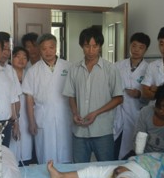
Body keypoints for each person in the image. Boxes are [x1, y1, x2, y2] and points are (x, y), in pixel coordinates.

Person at [63, 26, 124, 163]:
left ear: (100, 46)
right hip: (79, 131)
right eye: (87, 46)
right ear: (81, 46)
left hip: (102, 130)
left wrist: (96, 113)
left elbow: (119, 98)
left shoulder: (110, 69)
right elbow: (71, 96)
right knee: (78, 169)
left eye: (95, 46)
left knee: (106, 168)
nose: (91, 50)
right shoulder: (74, 69)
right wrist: (74, 113)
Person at [23, 33, 73, 164]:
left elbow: (75, 94)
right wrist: (31, 122)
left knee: (66, 155)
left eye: (51, 47)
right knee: (46, 155)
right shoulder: (33, 71)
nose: (48, 52)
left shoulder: (69, 67)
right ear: (39, 50)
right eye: (44, 48)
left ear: (56, 47)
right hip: (43, 118)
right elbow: (29, 98)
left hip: (65, 116)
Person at [113, 32, 151, 159]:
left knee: (132, 146)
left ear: (145, 50)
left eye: (141, 47)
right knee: (115, 144)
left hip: (136, 112)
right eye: (134, 46)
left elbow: (151, 95)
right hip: (118, 111)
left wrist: (139, 94)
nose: (136, 50)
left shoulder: (148, 68)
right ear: (130, 46)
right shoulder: (118, 65)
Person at [8, 46, 33, 165]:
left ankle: (25, 165)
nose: (21, 60)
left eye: (24, 57)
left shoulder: (30, 74)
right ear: (11, 58)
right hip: (12, 113)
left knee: (26, 144)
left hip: (27, 113)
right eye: (17, 56)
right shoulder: (6, 73)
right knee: (12, 145)